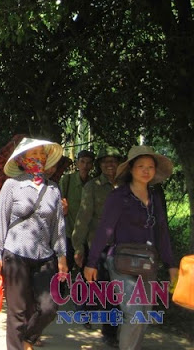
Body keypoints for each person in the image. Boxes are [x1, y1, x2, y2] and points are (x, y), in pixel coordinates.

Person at [84, 146, 178, 350]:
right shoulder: (119, 196)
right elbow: (104, 230)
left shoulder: (155, 197)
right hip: (121, 262)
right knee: (134, 312)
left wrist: (171, 264)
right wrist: (91, 262)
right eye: (141, 166)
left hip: (147, 263)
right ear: (131, 169)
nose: (146, 170)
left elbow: (162, 232)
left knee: (143, 315)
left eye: (150, 167)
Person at [0, 138, 66, 350]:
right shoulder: (11, 185)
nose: (39, 158)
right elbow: (1, 221)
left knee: (49, 307)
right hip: (15, 254)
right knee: (18, 311)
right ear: (22, 160)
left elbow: (58, 226)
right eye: (34, 154)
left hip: (45, 256)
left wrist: (62, 257)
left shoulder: (53, 189)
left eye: (42, 154)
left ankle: (29, 339)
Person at [71, 146, 122, 346]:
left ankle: (113, 330)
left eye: (114, 161)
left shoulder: (127, 185)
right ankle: (108, 332)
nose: (110, 165)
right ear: (99, 165)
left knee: (119, 291)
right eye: (105, 162)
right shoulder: (92, 187)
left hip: (125, 247)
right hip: (100, 247)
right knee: (108, 290)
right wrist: (78, 247)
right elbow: (83, 218)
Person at [59, 149, 95, 272]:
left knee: (86, 270)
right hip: (68, 232)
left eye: (88, 163)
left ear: (92, 165)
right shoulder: (67, 180)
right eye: (82, 162)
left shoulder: (93, 184)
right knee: (64, 270)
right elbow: (60, 202)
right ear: (77, 163)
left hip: (86, 235)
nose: (85, 166)